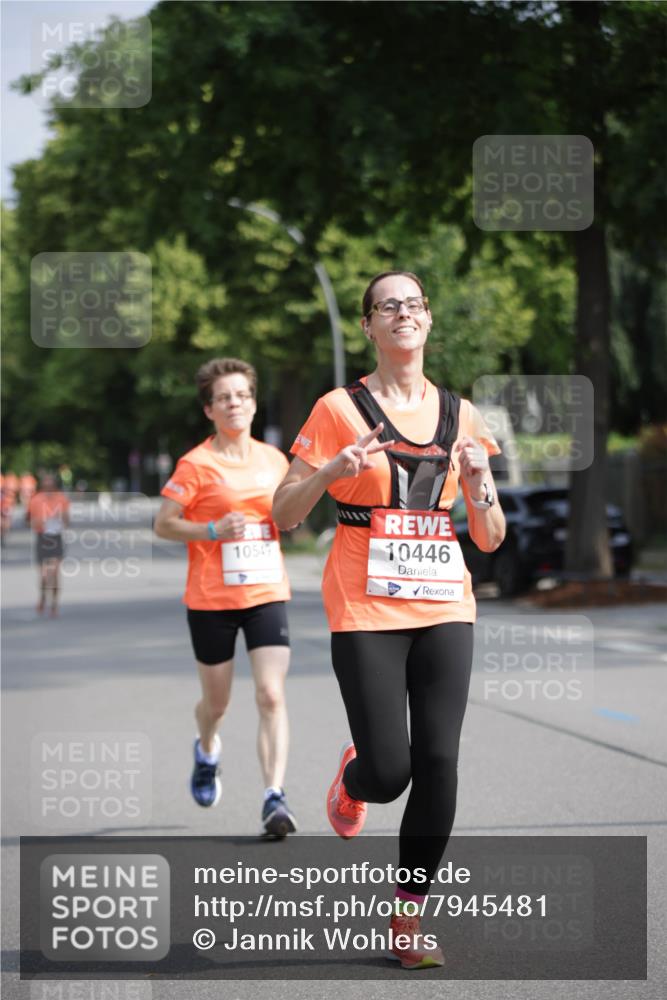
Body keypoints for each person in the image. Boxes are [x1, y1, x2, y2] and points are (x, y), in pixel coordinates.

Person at [273, 271, 506, 969]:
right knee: (389, 770)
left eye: (412, 303)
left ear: (427, 321)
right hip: (365, 603)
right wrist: (326, 472)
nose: (401, 313)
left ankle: (405, 920)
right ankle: (354, 780)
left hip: (442, 601)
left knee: (438, 761)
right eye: (386, 306)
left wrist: (478, 482)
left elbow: (489, 537)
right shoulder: (337, 410)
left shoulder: (463, 415)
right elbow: (282, 514)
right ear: (369, 327)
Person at [154, 358, 297, 838]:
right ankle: (207, 748)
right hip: (212, 598)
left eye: (242, 395)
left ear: (253, 404)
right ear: (209, 410)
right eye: (224, 398)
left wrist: (292, 520)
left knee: (271, 694)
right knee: (217, 705)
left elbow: (290, 512)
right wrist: (211, 529)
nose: (234, 403)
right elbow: (164, 523)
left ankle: (273, 797)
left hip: (265, 590)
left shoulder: (274, 460)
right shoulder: (197, 464)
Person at [27, 472, 70, 616]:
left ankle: (54, 604)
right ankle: (43, 597)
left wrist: (60, 519)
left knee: (55, 573)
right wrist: (40, 522)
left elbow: (67, 521)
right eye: (46, 483)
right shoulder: (35, 500)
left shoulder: (61, 499)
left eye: (51, 483)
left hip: (56, 538)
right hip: (42, 537)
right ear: (42, 485)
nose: (48, 486)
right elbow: (29, 521)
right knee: (44, 575)